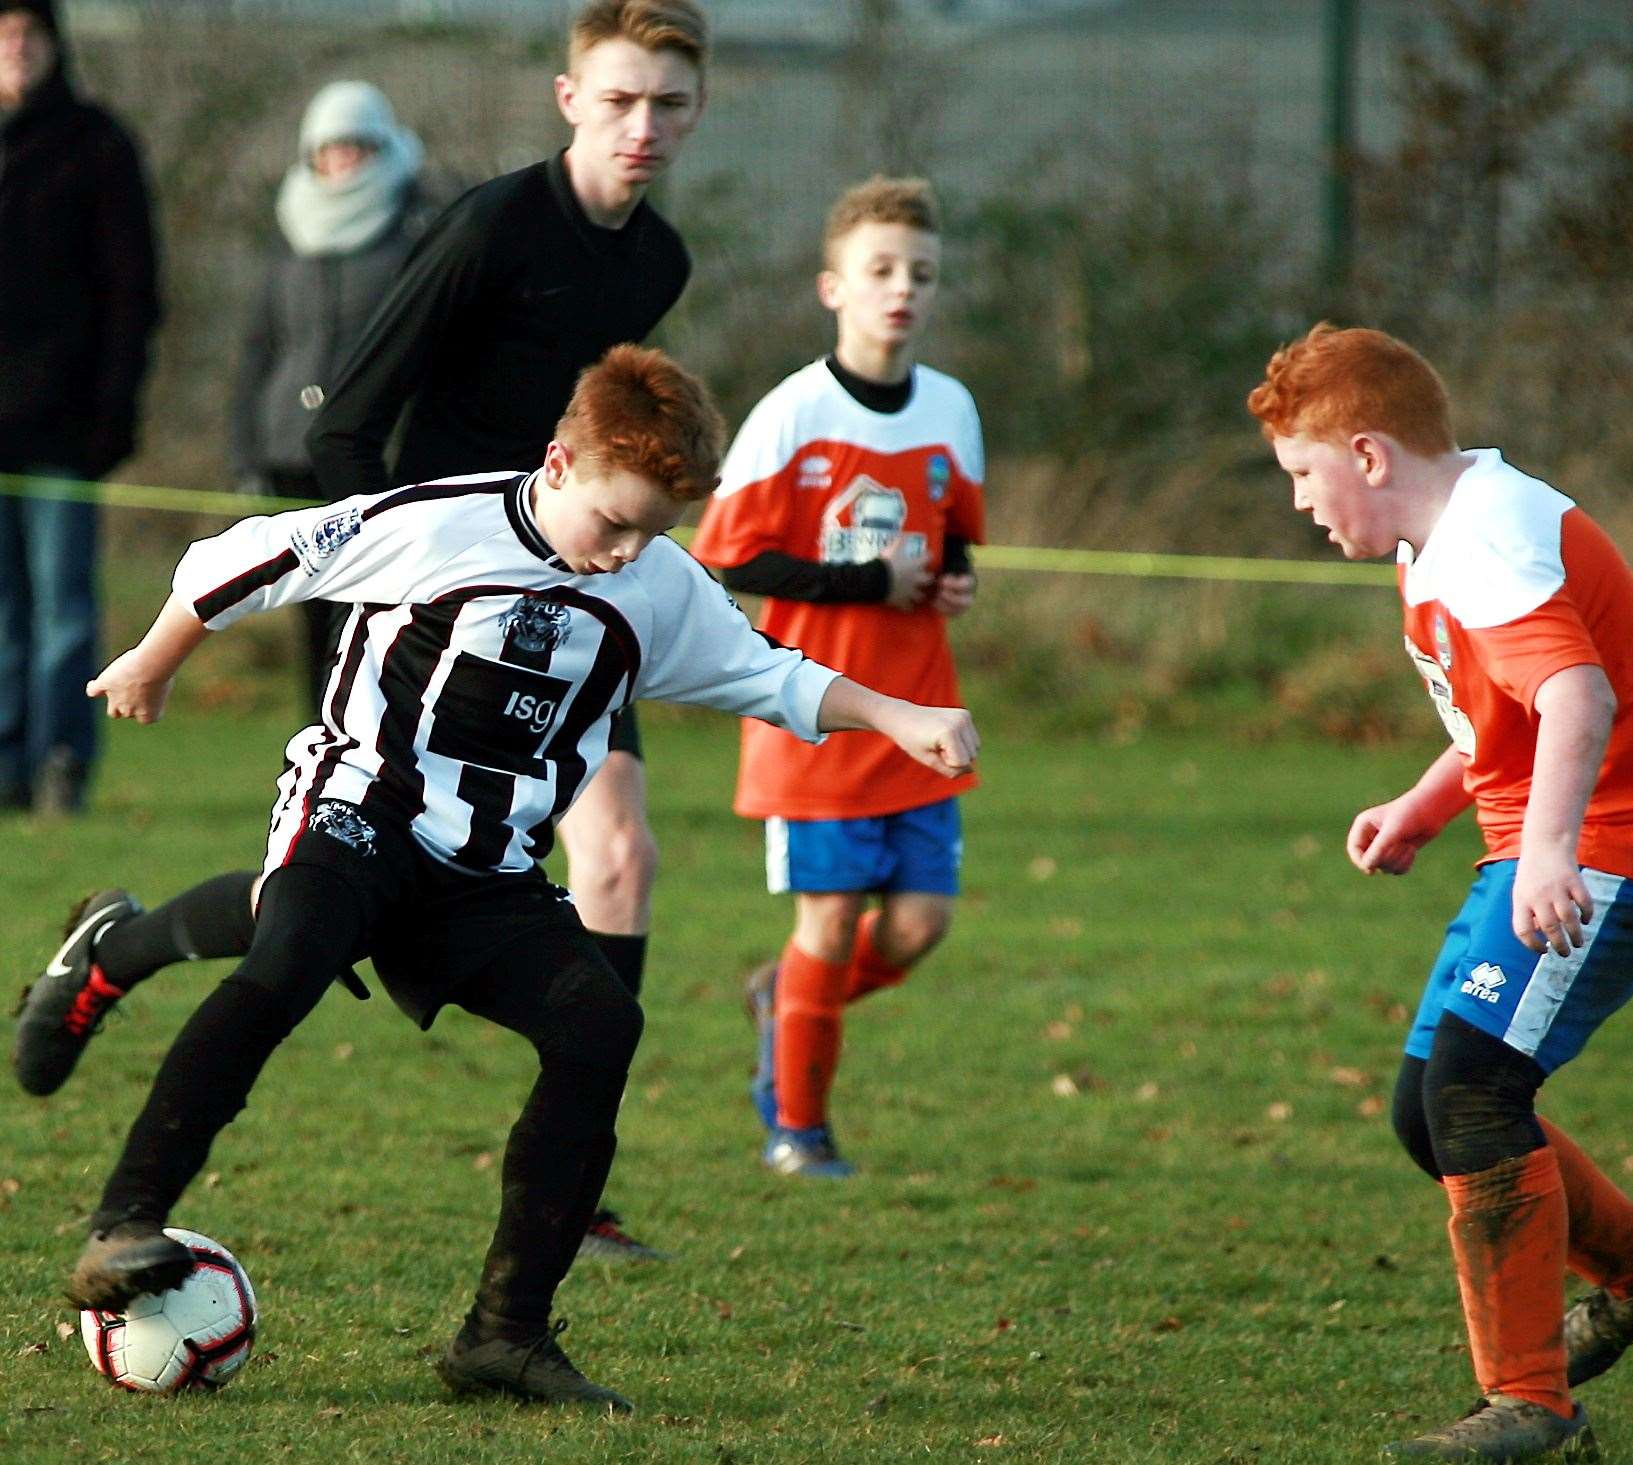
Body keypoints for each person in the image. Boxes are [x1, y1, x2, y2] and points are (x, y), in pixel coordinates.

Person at [59, 345, 980, 1412]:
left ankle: (503, 1336)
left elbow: (772, 674)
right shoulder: (440, 523)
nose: (624, 552)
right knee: (288, 957)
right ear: (557, 463)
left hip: (486, 870)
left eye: (651, 532)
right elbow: (250, 557)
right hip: (360, 811)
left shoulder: (654, 582)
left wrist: (900, 715)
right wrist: (154, 656)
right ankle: (126, 1223)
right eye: (613, 522)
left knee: (600, 1025)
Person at [12, 0, 705, 1261]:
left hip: (564, 603)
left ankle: (576, 1188)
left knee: (617, 857)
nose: (643, 127)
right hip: (421, 594)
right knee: (324, 901)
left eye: (669, 104)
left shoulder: (657, 263)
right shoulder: (490, 226)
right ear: (569, 100)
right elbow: (350, 422)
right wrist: (366, 575)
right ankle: (118, 950)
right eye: (618, 100)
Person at [1246, 323, 1633, 1462]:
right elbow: (1502, 719)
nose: (1302, 506)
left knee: (1474, 1094)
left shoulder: (1487, 541)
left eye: (1304, 477)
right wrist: (1425, 803)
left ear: (1368, 455)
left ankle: (1533, 1405)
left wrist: (1554, 850)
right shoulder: (1442, 536)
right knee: (1434, 1111)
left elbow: (1576, 698)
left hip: (1623, 840)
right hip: (1555, 838)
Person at [691, 176, 984, 1178]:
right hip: (812, 713)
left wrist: (950, 583)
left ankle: (788, 997)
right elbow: (730, 557)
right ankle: (798, 1131)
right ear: (833, 287)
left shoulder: (951, 409)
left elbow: (954, 548)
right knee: (828, 920)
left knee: (916, 927)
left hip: (921, 716)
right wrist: (864, 579)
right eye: (880, 271)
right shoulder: (792, 413)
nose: (902, 289)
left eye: (921, 274)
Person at [230, 79, 434, 713]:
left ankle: (375, 725)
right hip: (290, 449)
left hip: (372, 451)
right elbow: (258, 351)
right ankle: (317, 729)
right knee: (311, 608)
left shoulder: (415, 232)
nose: (341, 159)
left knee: (374, 603)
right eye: (329, 146)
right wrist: (244, 454)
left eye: (356, 146)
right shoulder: (288, 234)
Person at [0, 0, 159, 813]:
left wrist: (111, 409)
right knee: (4, 611)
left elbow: (132, 290)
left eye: (28, 34)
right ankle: (5, 769)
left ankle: (61, 760)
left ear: (54, 44)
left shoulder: (96, 145)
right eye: (3, 35)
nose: (15, 50)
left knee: (62, 606)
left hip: (63, 425)